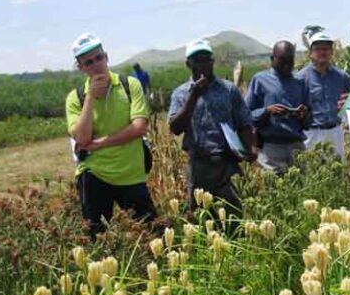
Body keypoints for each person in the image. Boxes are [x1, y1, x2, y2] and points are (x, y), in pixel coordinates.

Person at [65, 32, 157, 239]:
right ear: (81, 67)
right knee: (96, 237)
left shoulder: (129, 85)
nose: (96, 65)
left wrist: (99, 143)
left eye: (99, 58)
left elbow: (139, 127)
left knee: (153, 233)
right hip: (94, 175)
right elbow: (81, 139)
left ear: (106, 57)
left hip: (131, 174)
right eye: (89, 62)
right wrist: (90, 98)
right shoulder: (75, 98)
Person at [168, 39, 257, 223]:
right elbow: (176, 128)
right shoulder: (181, 93)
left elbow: (244, 122)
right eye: (198, 60)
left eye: (207, 59)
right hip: (200, 166)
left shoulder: (229, 90)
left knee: (235, 218)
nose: (203, 64)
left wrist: (250, 148)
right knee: (202, 220)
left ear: (212, 61)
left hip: (228, 163)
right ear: (188, 64)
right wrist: (194, 96)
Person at [245, 41, 311, 173]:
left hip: (296, 146)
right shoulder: (260, 80)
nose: (286, 65)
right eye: (282, 60)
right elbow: (247, 115)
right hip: (271, 148)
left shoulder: (300, 82)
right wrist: (267, 111)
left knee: (302, 190)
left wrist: (304, 114)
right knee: (274, 190)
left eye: (290, 60)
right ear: (272, 59)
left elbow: (309, 120)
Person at [297, 31, 350, 158]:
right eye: (318, 49)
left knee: (337, 170)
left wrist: (348, 102)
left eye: (326, 49)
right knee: (312, 171)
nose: (323, 52)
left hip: (335, 132)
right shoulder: (301, 78)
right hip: (311, 133)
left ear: (331, 52)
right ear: (310, 53)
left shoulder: (341, 77)